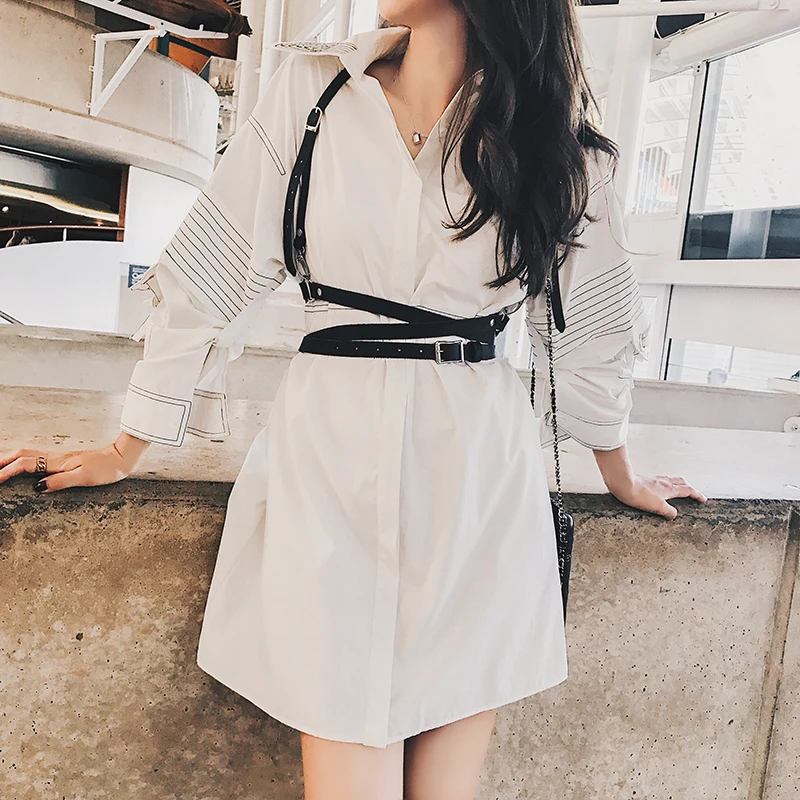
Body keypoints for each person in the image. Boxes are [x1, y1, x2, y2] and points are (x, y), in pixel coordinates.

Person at [0, 1, 707, 798]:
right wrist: (128, 444)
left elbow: (589, 327)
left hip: (479, 490)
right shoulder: (315, 91)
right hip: (330, 471)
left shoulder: (556, 142)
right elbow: (212, 274)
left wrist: (617, 470)